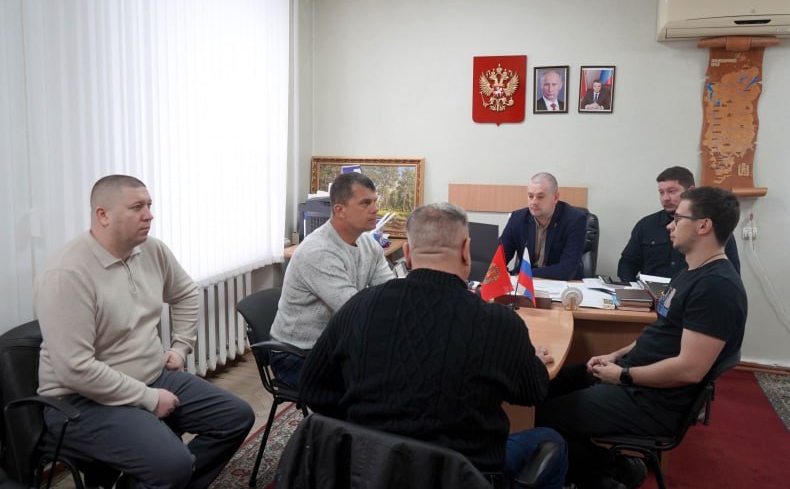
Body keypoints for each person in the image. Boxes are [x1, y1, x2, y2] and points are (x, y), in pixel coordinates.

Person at [299, 202, 568, 488]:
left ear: (407, 254)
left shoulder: (358, 307)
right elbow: (533, 391)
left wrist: (368, 430)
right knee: (551, 440)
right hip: (466, 477)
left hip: (372, 471)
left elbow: (312, 387)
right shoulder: (500, 324)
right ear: (466, 251)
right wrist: (534, 361)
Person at [36, 175, 254, 489]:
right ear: (103, 215)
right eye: (137, 207)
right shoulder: (67, 273)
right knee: (173, 465)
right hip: (81, 400)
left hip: (151, 376)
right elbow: (75, 369)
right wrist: (148, 398)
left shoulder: (151, 249)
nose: (149, 215)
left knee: (235, 417)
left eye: (149, 205)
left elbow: (185, 293)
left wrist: (180, 347)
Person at [536, 186, 747, 489]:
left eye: (679, 219)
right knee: (541, 388)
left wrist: (623, 375)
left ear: (703, 226)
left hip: (653, 401)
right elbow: (660, 332)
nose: (670, 225)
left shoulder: (716, 288)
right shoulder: (691, 272)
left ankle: (603, 478)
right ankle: (620, 467)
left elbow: (689, 369)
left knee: (539, 417)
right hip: (635, 378)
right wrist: (616, 355)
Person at [269, 172, 394, 387]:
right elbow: (356, 312)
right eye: (365, 203)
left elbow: (389, 291)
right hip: (297, 355)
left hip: (334, 345)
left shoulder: (368, 243)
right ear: (339, 210)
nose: (375, 209)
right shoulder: (318, 252)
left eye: (375, 202)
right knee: (379, 384)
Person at [617, 166, 740, 283]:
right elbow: (627, 263)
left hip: (692, 291)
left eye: (671, 191)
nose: (665, 198)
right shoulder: (646, 225)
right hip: (649, 293)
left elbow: (730, 271)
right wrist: (633, 290)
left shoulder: (709, 227)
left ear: (690, 191)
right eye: (661, 192)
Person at [500, 172, 587, 280]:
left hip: (562, 285)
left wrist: (525, 273)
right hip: (524, 283)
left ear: (555, 197)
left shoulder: (574, 220)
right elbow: (499, 258)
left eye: (540, 197)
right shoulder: (517, 219)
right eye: (530, 196)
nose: (534, 202)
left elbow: (567, 269)